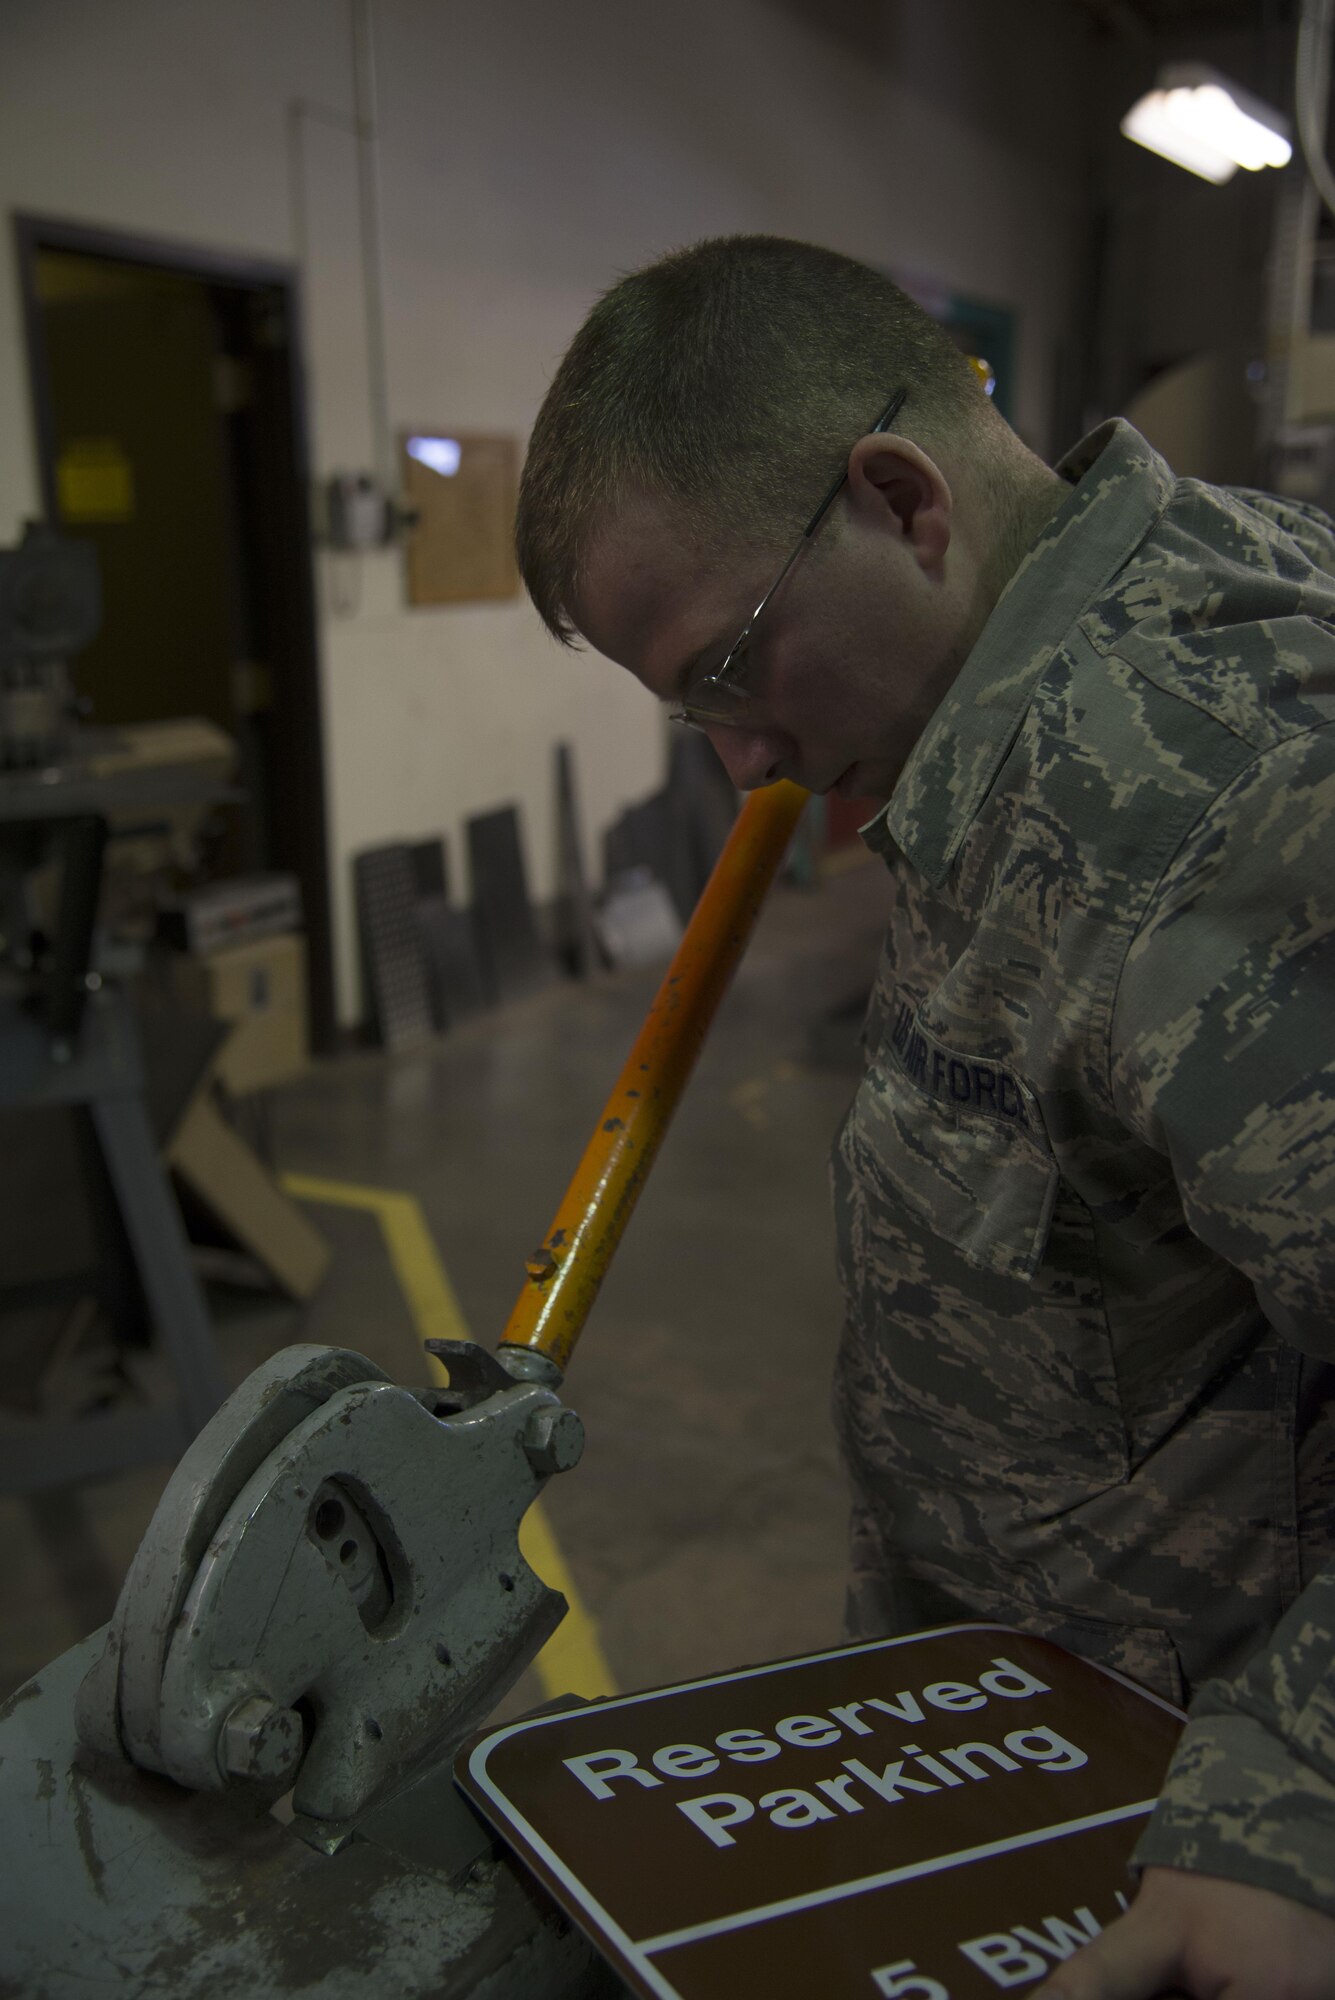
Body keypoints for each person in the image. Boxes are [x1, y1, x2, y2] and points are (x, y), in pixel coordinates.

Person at [513, 234, 1335, 1998]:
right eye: (686, 708)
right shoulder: (1014, 713)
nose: (740, 763)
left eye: (733, 665)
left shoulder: (1220, 787)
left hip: (1186, 1831)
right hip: (1022, 1744)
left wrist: (1294, 1819)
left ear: (902, 502)